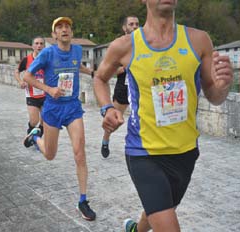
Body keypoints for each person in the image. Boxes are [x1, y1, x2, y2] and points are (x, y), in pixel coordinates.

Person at [93, 0, 233, 231]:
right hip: (144, 152)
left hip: (186, 152)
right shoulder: (125, 45)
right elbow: (99, 78)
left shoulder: (199, 41)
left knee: (161, 207)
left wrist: (224, 85)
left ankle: (135, 230)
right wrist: (107, 108)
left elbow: (214, 95)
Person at [22, 17, 96, 221]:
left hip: (72, 107)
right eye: (59, 27)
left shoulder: (78, 50)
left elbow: (77, 65)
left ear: (71, 33)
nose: (64, 30)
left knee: (80, 152)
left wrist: (91, 72)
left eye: (67, 27)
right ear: (54, 35)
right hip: (52, 109)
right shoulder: (47, 53)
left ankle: (83, 200)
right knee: (50, 155)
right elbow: (27, 76)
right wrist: (48, 89)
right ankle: (36, 137)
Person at [101, 16, 139, 158]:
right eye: (131, 24)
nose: (135, 26)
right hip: (123, 87)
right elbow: (107, 73)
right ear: (124, 28)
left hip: (139, 88)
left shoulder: (145, 44)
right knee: (114, 119)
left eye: (137, 24)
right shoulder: (119, 46)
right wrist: (123, 68)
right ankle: (105, 140)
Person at [14, 36, 46, 136]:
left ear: (44, 46)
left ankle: (38, 136)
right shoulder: (26, 60)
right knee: (34, 120)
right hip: (31, 95)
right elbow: (16, 71)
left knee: (46, 118)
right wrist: (20, 81)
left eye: (41, 43)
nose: (39, 46)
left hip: (45, 94)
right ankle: (31, 130)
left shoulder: (47, 59)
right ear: (32, 46)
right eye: (36, 43)